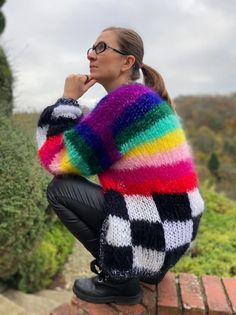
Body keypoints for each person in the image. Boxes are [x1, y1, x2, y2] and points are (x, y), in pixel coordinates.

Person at [36, 26, 205, 305]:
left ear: (127, 62)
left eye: (102, 48)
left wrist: (67, 101)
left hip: (155, 229)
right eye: (91, 48)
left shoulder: (125, 103)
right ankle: (137, 266)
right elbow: (84, 152)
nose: (92, 55)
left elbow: (58, 161)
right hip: (172, 232)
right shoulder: (140, 99)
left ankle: (120, 279)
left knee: (60, 189)